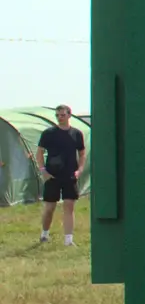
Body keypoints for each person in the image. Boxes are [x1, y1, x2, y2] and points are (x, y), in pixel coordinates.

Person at [35, 104, 85, 245]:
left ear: (69, 115)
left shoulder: (76, 134)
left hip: (70, 175)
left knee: (69, 206)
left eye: (62, 115)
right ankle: (44, 234)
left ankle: (68, 240)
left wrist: (80, 170)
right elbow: (39, 152)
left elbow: (82, 154)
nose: (59, 118)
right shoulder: (48, 133)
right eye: (57, 115)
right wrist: (43, 170)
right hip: (52, 175)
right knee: (50, 207)